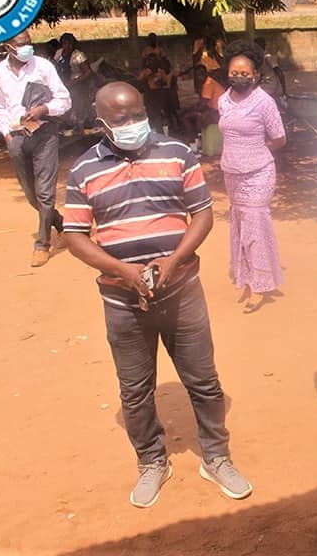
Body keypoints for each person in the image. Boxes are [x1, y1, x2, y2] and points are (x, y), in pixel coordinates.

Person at [63, 81, 252, 508]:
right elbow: (75, 236)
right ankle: (152, 461)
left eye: (136, 115)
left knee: (204, 381)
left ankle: (216, 457)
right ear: (102, 123)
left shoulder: (177, 153)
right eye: (121, 119)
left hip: (182, 291)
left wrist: (172, 261)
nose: (132, 124)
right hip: (122, 300)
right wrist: (123, 272)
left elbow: (202, 215)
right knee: (134, 389)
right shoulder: (83, 171)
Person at [0, 29, 72, 267]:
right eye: (21, 44)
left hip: (44, 134)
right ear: (8, 48)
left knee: (45, 193)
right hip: (16, 136)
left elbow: (64, 99)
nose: (28, 47)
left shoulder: (43, 67)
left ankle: (42, 244)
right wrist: (6, 132)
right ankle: (61, 223)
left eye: (29, 43)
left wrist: (43, 109)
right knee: (31, 196)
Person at [217, 40, 287, 313]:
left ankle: (260, 285)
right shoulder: (223, 100)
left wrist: (258, 150)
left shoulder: (264, 102)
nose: (239, 77)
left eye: (245, 73)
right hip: (231, 173)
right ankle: (245, 274)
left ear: (256, 74)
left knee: (255, 224)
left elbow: (279, 138)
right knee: (239, 224)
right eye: (234, 72)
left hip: (259, 173)